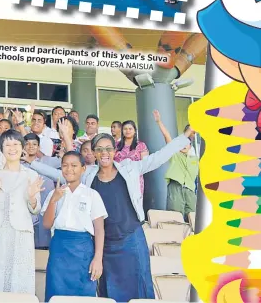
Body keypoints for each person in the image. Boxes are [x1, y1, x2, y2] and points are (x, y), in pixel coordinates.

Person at [30, 119, 195, 303]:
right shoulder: (89, 174)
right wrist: (31, 163)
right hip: (105, 245)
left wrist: (186, 136)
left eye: (108, 148)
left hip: (131, 239)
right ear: (94, 153)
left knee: (139, 287)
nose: (104, 153)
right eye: (99, 149)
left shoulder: (130, 168)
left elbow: (160, 157)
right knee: (109, 291)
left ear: (115, 151)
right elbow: (64, 173)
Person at [0, 130, 42, 295]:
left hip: (21, 232)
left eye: (16, 144)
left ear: (22, 147)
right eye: (8, 145)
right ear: (1, 147)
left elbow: (35, 209)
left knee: (19, 276)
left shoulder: (31, 175)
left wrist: (32, 196)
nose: (12, 148)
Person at [42, 151, 107, 299]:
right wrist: (54, 200)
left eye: (74, 165)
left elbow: (99, 230)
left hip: (83, 250)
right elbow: (46, 224)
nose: (69, 169)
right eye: (64, 165)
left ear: (83, 168)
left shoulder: (92, 195)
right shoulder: (55, 192)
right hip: (59, 248)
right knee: (56, 292)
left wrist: (98, 258)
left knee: (83, 293)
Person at [154, 113, 199, 220]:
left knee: (193, 217)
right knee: (175, 217)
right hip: (176, 187)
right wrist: (159, 121)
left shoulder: (195, 159)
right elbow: (167, 136)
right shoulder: (175, 154)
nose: (183, 146)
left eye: (186, 144)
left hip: (190, 190)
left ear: (190, 145)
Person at [114, 120, 149, 196]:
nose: (128, 131)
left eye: (130, 129)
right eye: (125, 129)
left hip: (135, 180)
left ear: (134, 131)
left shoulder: (141, 145)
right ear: (122, 131)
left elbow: (145, 164)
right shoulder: (115, 145)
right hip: (119, 179)